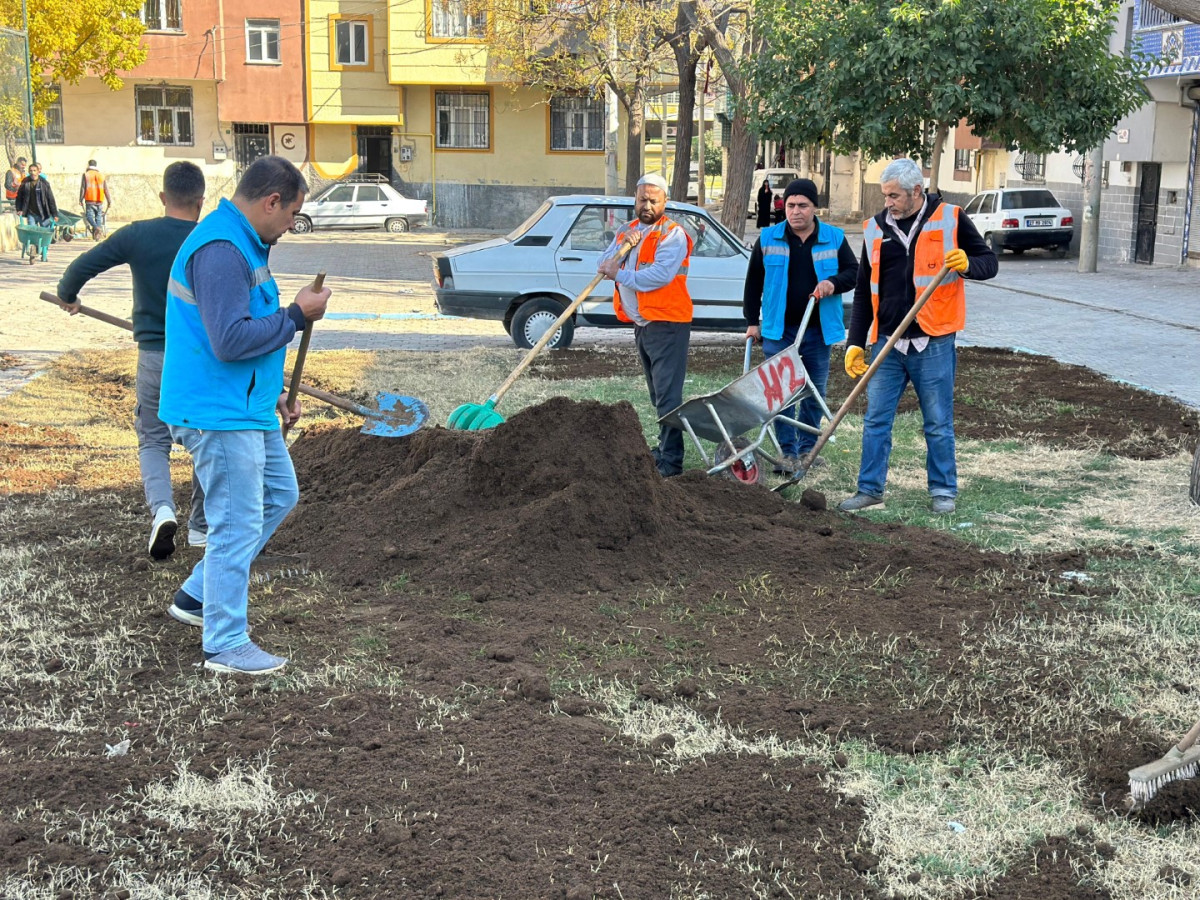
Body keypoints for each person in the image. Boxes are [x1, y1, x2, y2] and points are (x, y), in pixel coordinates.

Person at [160, 155, 331, 675]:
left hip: (247, 404)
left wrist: (274, 391)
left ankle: (196, 596)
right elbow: (230, 340)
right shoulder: (220, 250)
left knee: (280, 492)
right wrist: (297, 317)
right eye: (291, 215)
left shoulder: (245, 242)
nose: (290, 227)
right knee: (236, 522)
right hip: (217, 411)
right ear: (271, 201)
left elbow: (248, 329)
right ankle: (225, 642)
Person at [57, 162, 208, 561]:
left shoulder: (138, 234)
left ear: (162, 197)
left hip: (155, 357)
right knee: (207, 438)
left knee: (154, 439)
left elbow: (79, 268)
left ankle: (162, 510)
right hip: (201, 360)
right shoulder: (210, 238)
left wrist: (69, 295)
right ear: (201, 201)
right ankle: (201, 526)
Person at [840, 158, 998, 515]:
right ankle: (869, 490)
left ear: (916, 191)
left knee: (937, 421)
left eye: (894, 195)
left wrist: (968, 265)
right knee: (876, 420)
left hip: (934, 340)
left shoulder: (951, 217)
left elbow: (989, 262)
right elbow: (865, 291)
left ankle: (943, 491)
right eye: (885, 195)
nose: (888, 202)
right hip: (888, 343)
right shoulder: (875, 228)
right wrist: (855, 341)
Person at [743, 178, 859, 473]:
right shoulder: (768, 238)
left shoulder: (834, 238)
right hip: (778, 330)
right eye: (791, 205)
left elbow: (854, 272)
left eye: (802, 205)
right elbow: (754, 280)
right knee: (781, 393)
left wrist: (833, 283)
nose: (795, 211)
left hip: (817, 330)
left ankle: (808, 450)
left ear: (814, 207)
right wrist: (751, 322)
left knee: (812, 391)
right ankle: (787, 453)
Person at [597, 172, 693, 478]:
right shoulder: (628, 230)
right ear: (634, 200)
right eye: (642, 199)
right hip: (643, 323)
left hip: (667, 323)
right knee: (657, 394)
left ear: (665, 201)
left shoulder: (672, 234)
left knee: (668, 395)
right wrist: (621, 248)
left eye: (654, 200)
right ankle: (664, 450)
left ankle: (672, 461)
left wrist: (620, 274)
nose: (647, 205)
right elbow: (604, 263)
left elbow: (659, 276)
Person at [15, 162, 57, 226]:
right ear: (29, 172)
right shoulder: (25, 182)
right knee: (33, 233)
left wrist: (54, 214)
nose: (33, 173)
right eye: (31, 171)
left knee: (45, 233)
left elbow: (50, 199)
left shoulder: (44, 183)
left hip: (43, 213)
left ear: (38, 172)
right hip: (31, 213)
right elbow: (19, 197)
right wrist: (19, 209)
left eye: (34, 170)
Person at [80, 160, 112, 239]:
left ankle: (97, 228)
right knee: (98, 218)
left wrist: (80, 199)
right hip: (99, 200)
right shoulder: (101, 176)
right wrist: (109, 201)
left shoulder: (86, 175)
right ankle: (97, 236)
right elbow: (106, 189)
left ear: (88, 165)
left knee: (89, 216)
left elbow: (83, 188)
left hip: (90, 199)